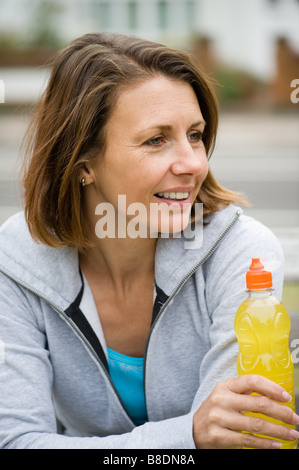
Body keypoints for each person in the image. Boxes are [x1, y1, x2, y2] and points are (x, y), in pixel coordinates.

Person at [0, 32, 298, 450]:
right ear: (83, 162)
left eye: (195, 135)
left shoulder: (242, 252)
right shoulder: (15, 261)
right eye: (156, 140)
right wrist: (187, 435)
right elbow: (16, 442)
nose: (193, 163)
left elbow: (237, 439)